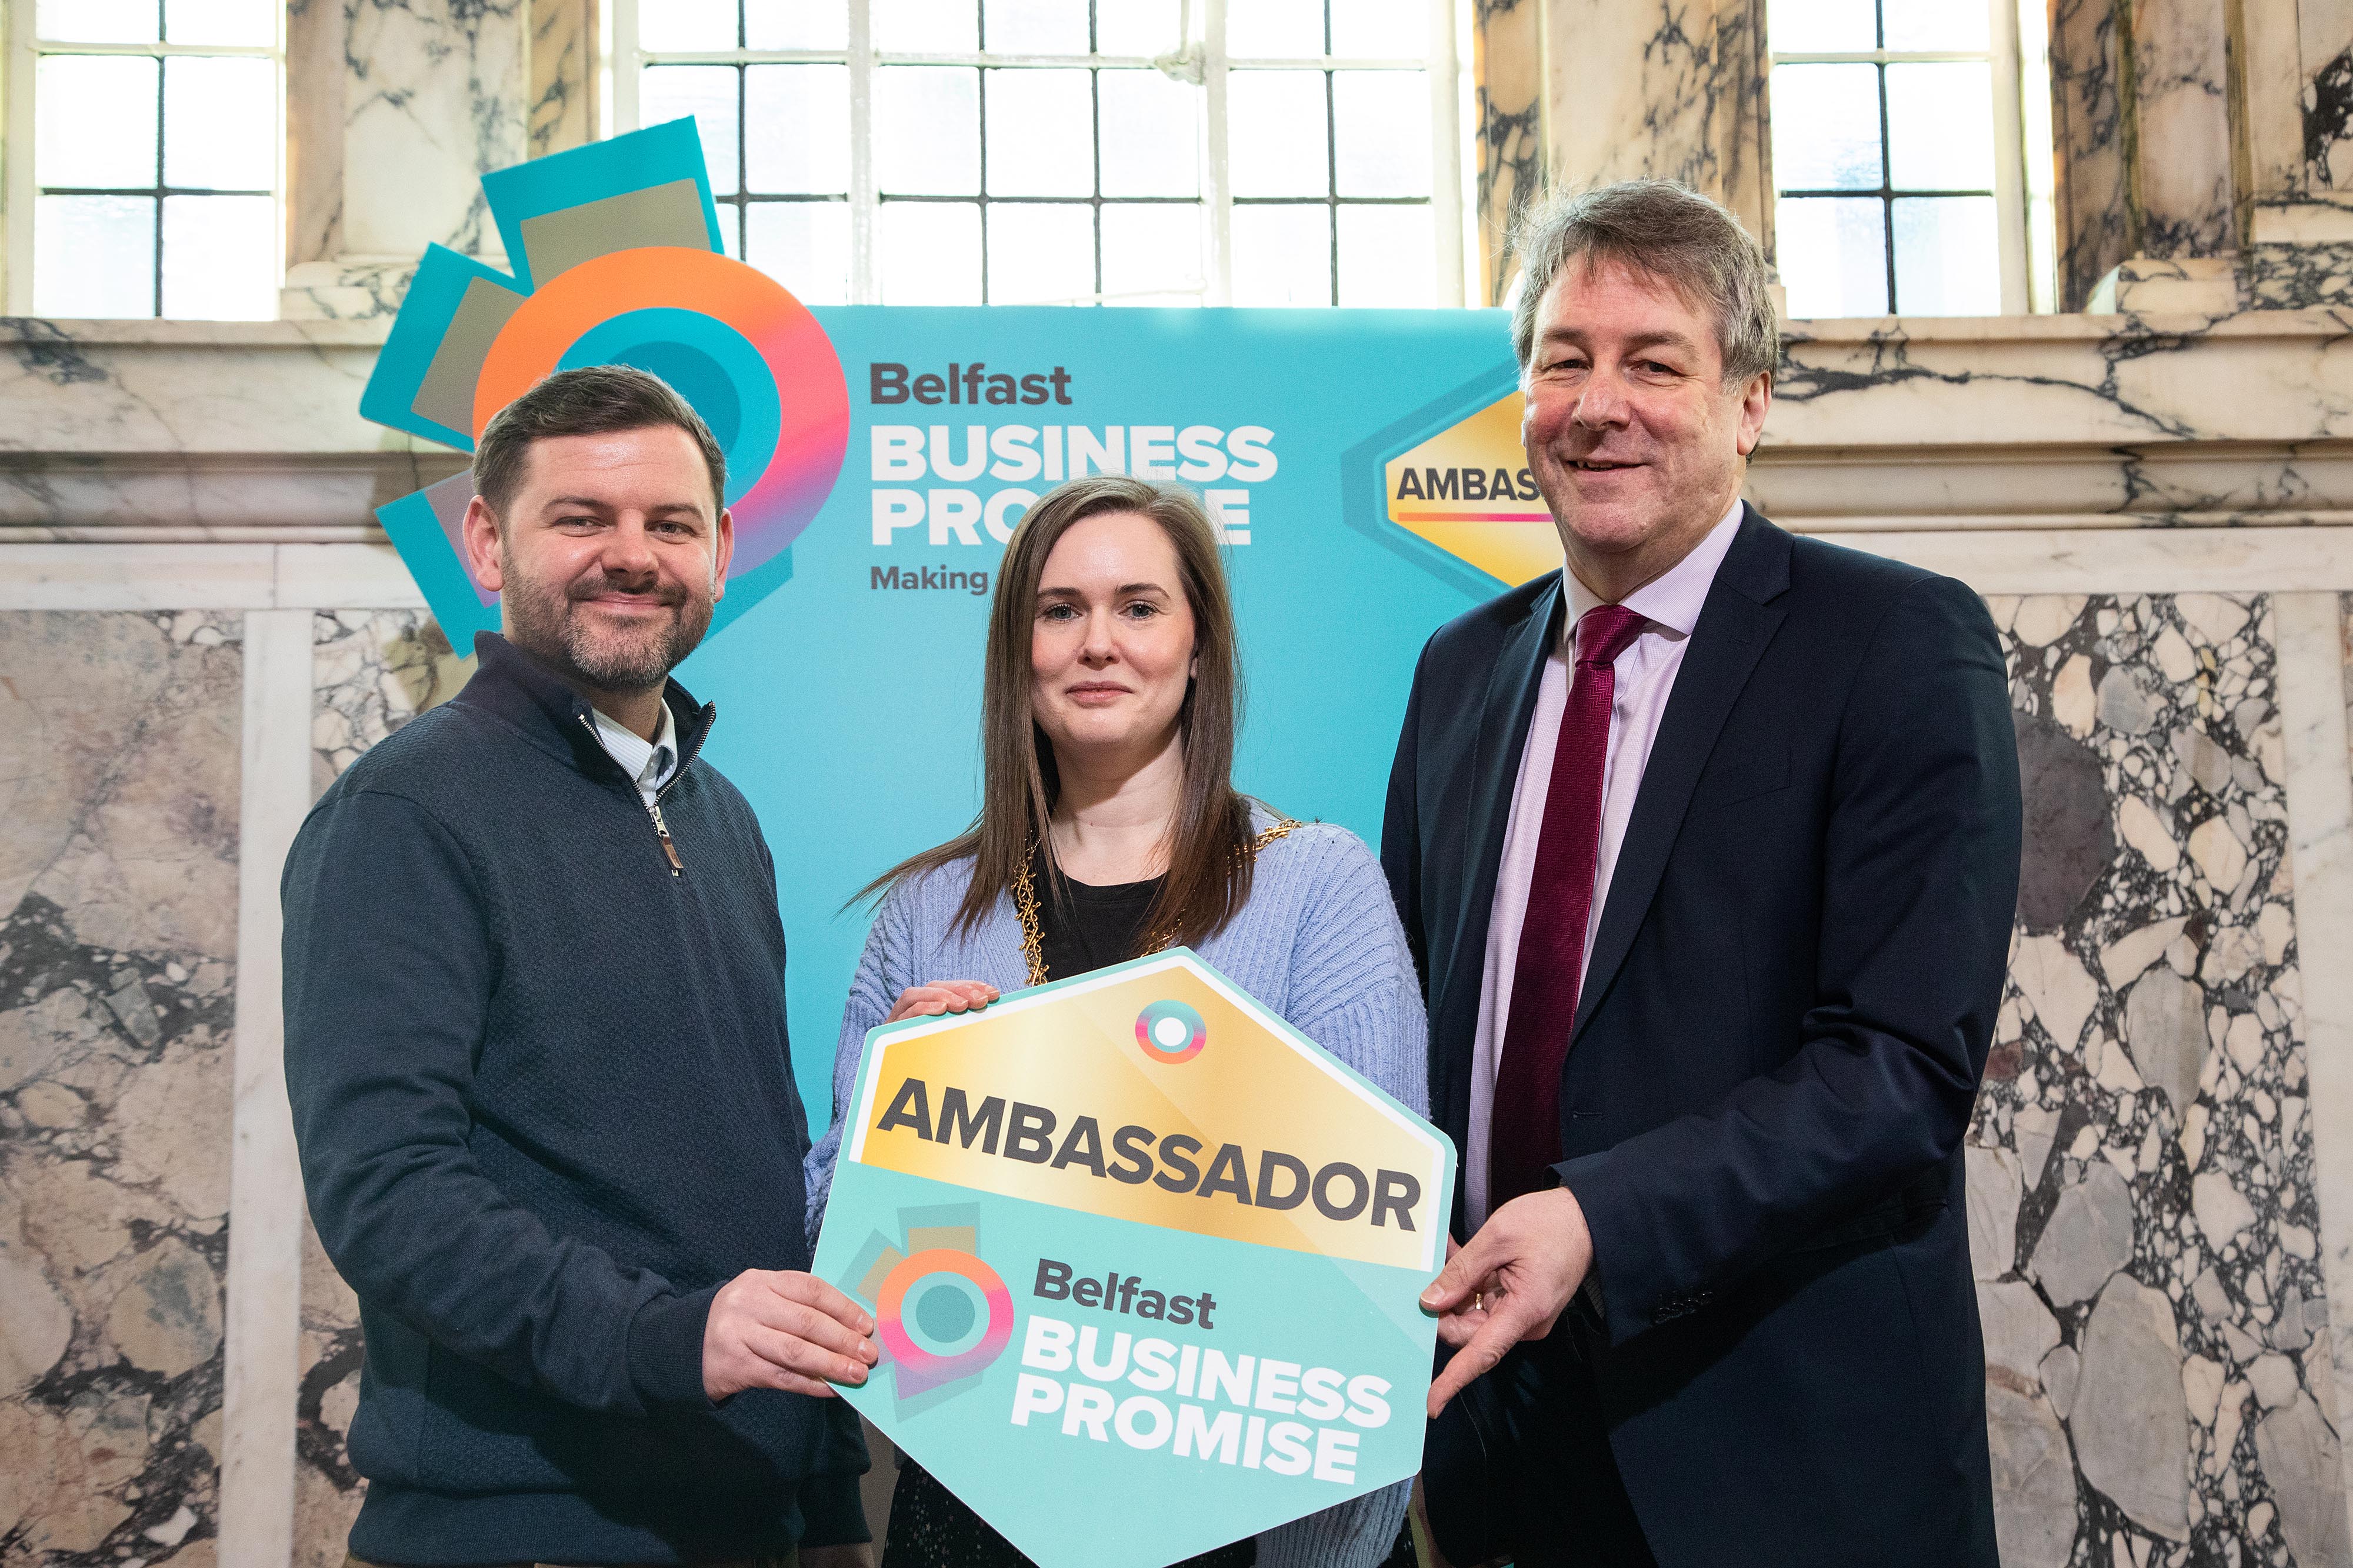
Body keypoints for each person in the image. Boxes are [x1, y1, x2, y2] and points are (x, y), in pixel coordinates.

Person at [1382, 180, 2021, 1567]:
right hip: (1499, 1443)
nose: (1598, 402)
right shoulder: (1456, 677)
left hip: (1777, 1452)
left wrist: (1596, 1221)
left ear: (1747, 403)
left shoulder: (1895, 645)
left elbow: (1899, 1067)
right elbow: (1397, 1039)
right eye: (1563, 359)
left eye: (1652, 361)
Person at [283, 365, 881, 1568]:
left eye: (669, 524)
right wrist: (662, 1338)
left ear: (720, 549)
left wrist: (820, 1502)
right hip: (520, 1534)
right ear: (488, 544)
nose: (631, 554)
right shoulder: (408, 809)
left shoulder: (724, 819)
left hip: (740, 1526)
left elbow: (750, 1174)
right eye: (581, 518)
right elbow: (387, 1194)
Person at [805, 475, 1425, 1568]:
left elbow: (1375, 1265)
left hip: (1248, 1525)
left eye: (1140, 607)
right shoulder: (929, 914)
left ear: (1200, 649)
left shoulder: (1319, 886)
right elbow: (831, 1250)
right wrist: (886, 1118)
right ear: (1019, 654)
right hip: (974, 1522)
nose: (1099, 642)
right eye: (1060, 611)